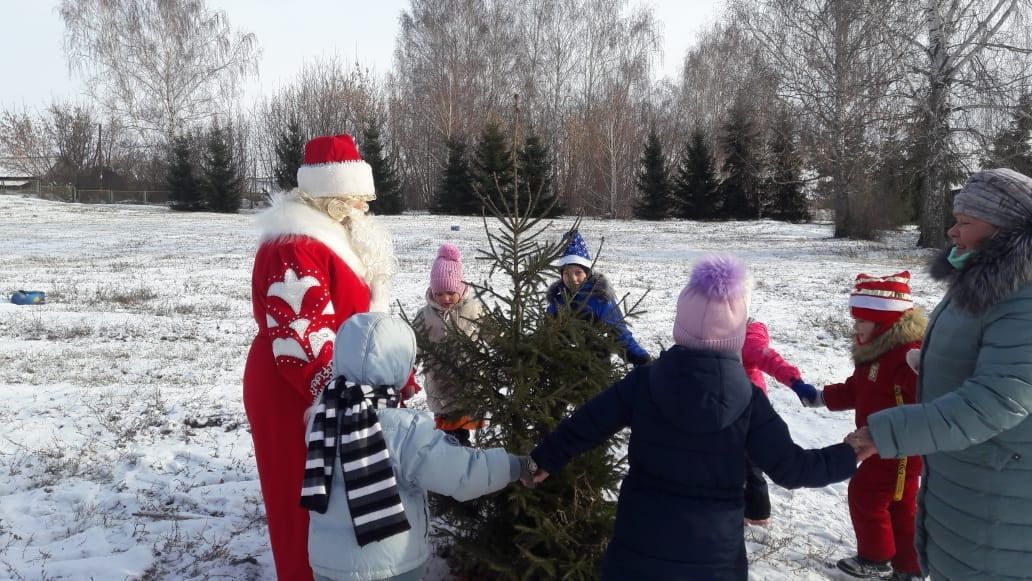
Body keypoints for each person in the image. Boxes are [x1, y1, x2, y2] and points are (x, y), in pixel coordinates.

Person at [530, 255, 862, 580]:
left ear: (682, 323)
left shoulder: (644, 382)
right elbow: (792, 468)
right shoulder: (749, 400)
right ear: (737, 333)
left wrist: (541, 460)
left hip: (637, 551)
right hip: (715, 560)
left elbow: (586, 424)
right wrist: (851, 452)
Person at [848, 168, 1032, 581]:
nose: (952, 231)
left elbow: (1000, 399)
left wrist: (889, 431)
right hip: (969, 480)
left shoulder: (1024, 295)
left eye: (965, 222)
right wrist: (929, 365)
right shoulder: (989, 280)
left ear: (1007, 229)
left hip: (1002, 501)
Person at [243, 133, 396, 580]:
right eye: (357, 198)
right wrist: (338, 391)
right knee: (303, 499)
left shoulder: (332, 239)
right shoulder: (296, 247)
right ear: (331, 196)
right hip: (295, 393)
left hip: (337, 383)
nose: (364, 208)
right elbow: (299, 335)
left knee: (336, 498)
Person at [303, 312, 530, 581]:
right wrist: (517, 465)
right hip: (391, 567)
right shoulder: (404, 430)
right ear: (399, 365)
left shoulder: (324, 415)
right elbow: (462, 473)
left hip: (327, 565)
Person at [790, 272, 926, 580]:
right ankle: (910, 568)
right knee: (899, 507)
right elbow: (856, 390)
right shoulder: (874, 354)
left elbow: (929, 394)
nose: (855, 328)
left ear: (883, 322)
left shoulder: (907, 356)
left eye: (861, 321)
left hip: (899, 447)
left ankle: (876, 558)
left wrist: (923, 371)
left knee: (867, 495)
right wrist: (821, 397)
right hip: (876, 442)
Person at [741, 316, 816, 525]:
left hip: (748, 407)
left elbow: (770, 359)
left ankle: (757, 513)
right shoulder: (721, 330)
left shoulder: (748, 339)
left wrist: (796, 382)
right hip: (728, 403)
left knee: (750, 461)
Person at [413, 243, 485, 445]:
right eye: (440, 293)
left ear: (460, 289)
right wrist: (410, 368)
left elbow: (492, 333)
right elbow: (415, 346)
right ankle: (453, 463)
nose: (445, 298)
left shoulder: (473, 309)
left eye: (450, 293)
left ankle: (462, 462)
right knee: (448, 434)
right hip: (440, 385)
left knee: (462, 431)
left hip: (469, 382)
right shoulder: (425, 315)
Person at [546, 229, 651, 367]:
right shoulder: (557, 302)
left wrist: (642, 359)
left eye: (578, 272)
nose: (573, 279)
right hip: (560, 374)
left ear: (587, 273)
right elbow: (545, 336)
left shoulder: (600, 300)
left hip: (595, 373)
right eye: (566, 273)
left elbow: (620, 335)